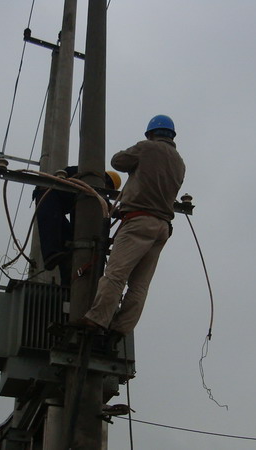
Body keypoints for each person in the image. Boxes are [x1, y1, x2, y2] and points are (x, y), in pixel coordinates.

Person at [78, 115, 185, 336]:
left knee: (116, 274)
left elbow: (117, 161)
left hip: (139, 222)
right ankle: (121, 328)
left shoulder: (147, 148)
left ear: (151, 133)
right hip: (162, 227)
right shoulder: (179, 162)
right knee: (139, 285)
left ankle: (97, 319)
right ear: (171, 136)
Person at [34, 166, 121, 285]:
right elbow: (101, 199)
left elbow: (99, 207)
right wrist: (117, 212)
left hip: (59, 202)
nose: (106, 192)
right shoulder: (86, 175)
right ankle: (50, 253)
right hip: (47, 193)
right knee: (51, 226)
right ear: (106, 180)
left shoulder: (87, 188)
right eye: (108, 188)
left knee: (69, 242)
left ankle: (67, 284)